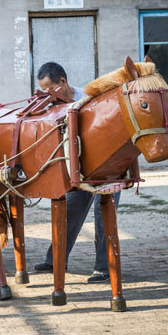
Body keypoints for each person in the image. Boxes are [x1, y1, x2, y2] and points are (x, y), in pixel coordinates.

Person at [33, 62, 121, 283]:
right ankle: (55, 260)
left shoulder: (90, 97)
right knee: (69, 211)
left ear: (62, 82)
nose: (46, 93)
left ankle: (104, 267)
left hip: (106, 167)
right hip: (79, 170)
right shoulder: (49, 105)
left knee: (104, 217)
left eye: (49, 87)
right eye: (42, 89)